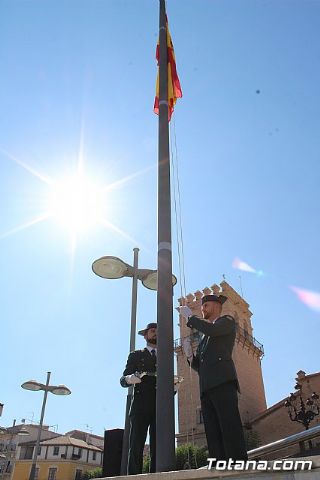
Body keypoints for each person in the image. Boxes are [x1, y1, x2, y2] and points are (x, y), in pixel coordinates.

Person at [179, 295, 248, 463]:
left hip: (223, 382)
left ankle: (239, 464)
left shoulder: (226, 321)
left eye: (206, 305)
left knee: (229, 425)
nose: (203, 309)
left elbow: (212, 330)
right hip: (207, 386)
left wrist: (190, 317)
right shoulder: (204, 338)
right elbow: (200, 366)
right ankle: (218, 465)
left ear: (217, 306)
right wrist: (189, 355)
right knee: (212, 430)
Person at [120, 322, 157, 475]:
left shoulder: (166, 355)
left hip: (160, 405)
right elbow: (123, 380)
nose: (156, 334)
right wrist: (131, 378)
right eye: (153, 331)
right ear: (146, 335)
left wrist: (173, 387)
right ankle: (134, 476)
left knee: (158, 446)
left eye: (158, 331)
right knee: (136, 445)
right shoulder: (136, 355)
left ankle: (157, 476)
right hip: (140, 405)